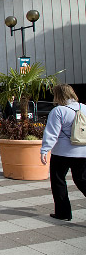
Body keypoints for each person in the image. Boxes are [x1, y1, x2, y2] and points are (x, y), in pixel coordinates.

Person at [40, 84, 86, 221]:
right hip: (83, 151)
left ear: (58, 95)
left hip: (62, 152)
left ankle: (63, 212)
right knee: (82, 180)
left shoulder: (58, 110)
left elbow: (52, 133)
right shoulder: (84, 107)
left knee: (58, 180)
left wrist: (45, 150)